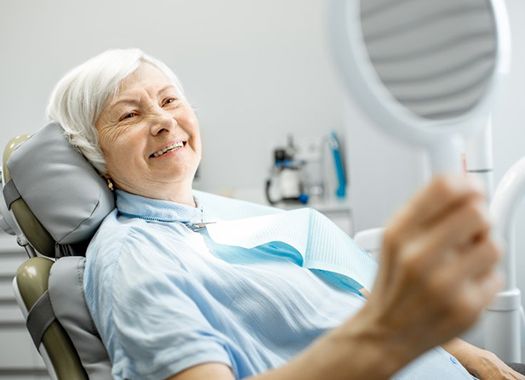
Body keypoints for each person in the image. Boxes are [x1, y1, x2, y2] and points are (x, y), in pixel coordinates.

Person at [46, 48, 525, 380]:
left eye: (169, 100)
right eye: (129, 114)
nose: (163, 119)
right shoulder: (132, 258)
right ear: (94, 154)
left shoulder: (215, 213)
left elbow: (350, 288)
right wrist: (388, 333)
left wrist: (467, 353)